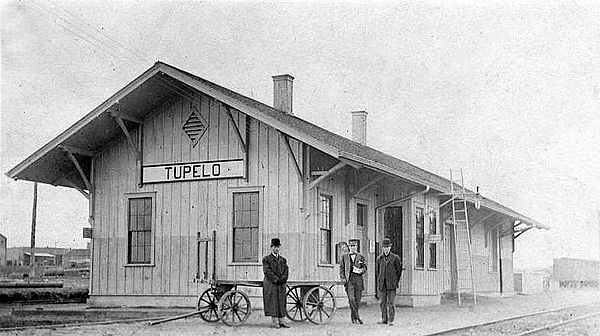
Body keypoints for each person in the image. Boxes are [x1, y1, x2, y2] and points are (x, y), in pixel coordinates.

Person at [262, 238, 290, 328]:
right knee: (273, 301)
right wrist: (276, 279)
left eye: (278, 247)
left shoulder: (283, 260)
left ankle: (282, 321)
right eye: (275, 247)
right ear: (271, 247)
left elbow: (286, 270)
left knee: (281, 301)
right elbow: (267, 271)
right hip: (271, 283)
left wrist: (283, 279)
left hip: (281, 283)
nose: (277, 249)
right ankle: (275, 322)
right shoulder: (266, 259)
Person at [376, 237, 403, 326]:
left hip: (392, 284)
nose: (386, 249)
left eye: (387, 247)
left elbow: (399, 271)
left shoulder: (395, 258)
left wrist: (395, 281)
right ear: (382, 248)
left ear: (390, 248)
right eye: (384, 247)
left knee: (391, 302)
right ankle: (384, 319)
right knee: (382, 302)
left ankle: (391, 320)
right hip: (382, 284)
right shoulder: (379, 258)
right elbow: (377, 271)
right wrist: (380, 281)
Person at [339, 239, 367, 324]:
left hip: (358, 280)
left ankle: (354, 318)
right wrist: (343, 279)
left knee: (357, 300)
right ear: (349, 247)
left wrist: (361, 270)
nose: (353, 248)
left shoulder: (361, 256)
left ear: (356, 247)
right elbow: (341, 268)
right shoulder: (344, 256)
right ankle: (358, 316)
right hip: (349, 280)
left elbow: (365, 267)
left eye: (354, 246)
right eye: (351, 246)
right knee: (351, 299)